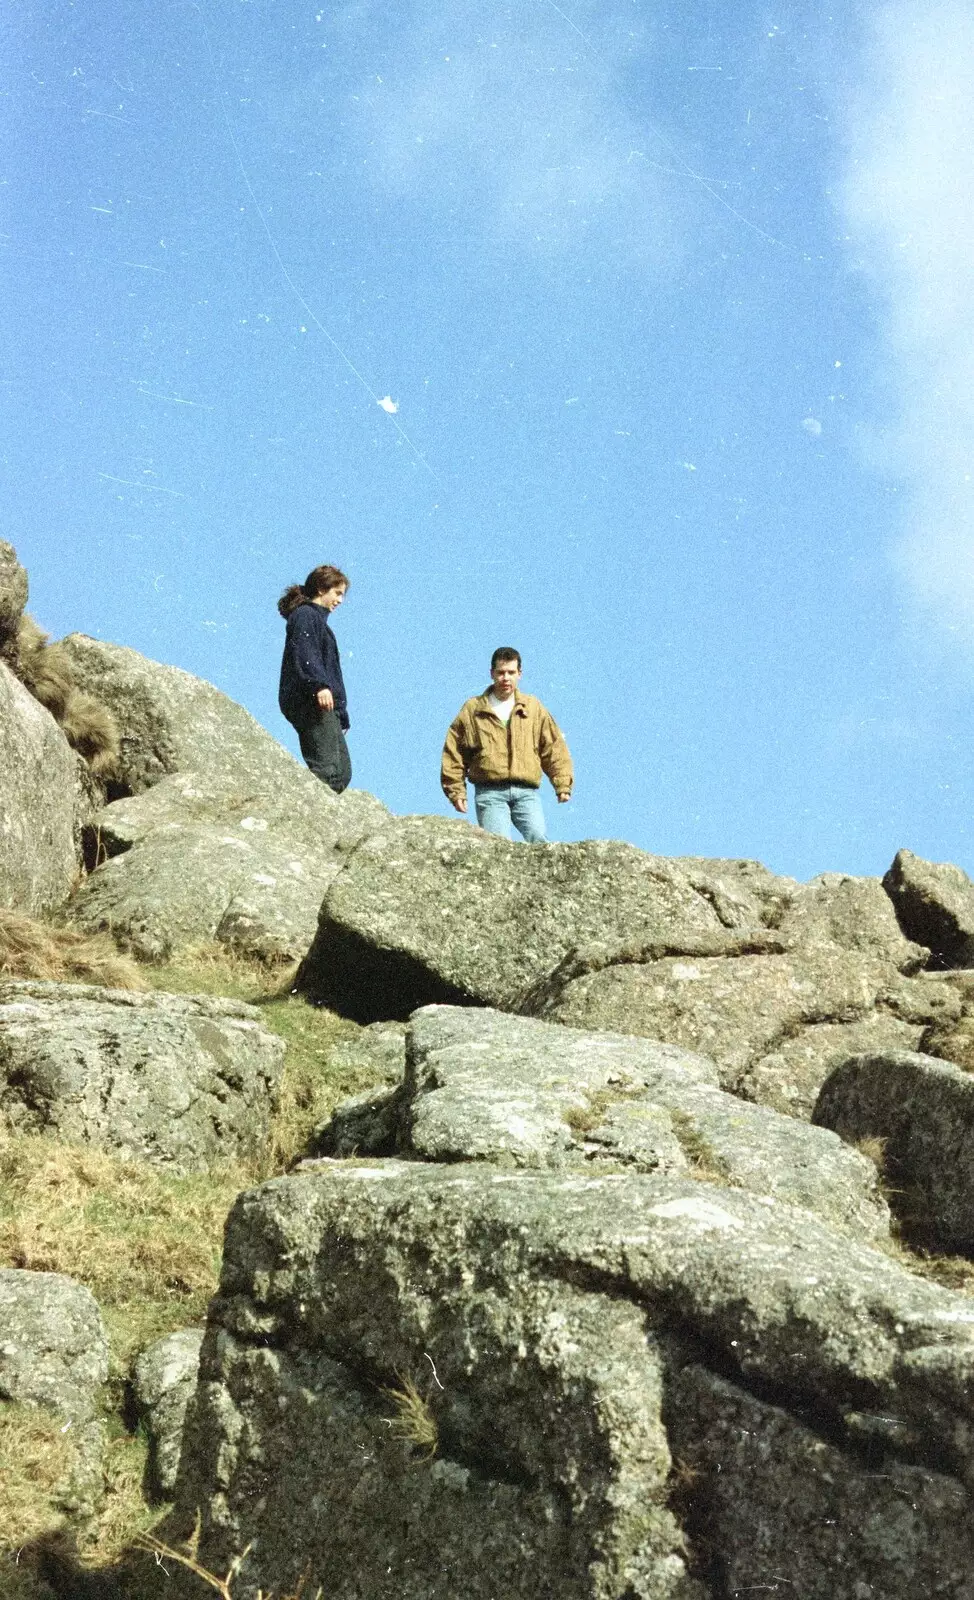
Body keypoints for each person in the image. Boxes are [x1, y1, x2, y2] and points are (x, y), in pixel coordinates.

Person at [441, 647, 572, 842]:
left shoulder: (533, 707)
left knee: (539, 840)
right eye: (501, 672)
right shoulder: (473, 709)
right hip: (490, 791)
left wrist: (562, 783)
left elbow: (553, 747)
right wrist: (456, 791)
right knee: (498, 845)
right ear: (492, 673)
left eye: (511, 672)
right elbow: (455, 752)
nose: (506, 678)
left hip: (526, 791)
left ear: (520, 674)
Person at [277, 564, 352, 793]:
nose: (340, 600)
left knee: (342, 772)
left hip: (325, 704)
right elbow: (306, 653)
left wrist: (340, 713)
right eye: (337, 593)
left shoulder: (320, 624)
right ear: (321, 588)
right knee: (328, 769)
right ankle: (299, 809)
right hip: (309, 699)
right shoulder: (305, 616)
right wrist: (318, 685)